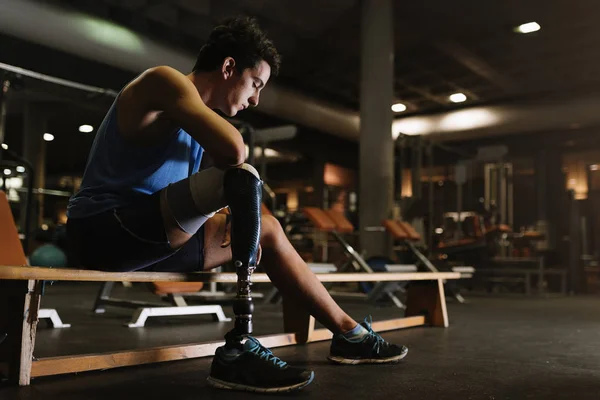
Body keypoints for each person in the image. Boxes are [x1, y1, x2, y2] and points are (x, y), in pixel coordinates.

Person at [66, 16, 408, 393]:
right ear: (229, 67)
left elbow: (186, 196)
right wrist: (234, 203)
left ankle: (349, 335)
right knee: (240, 174)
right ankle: (239, 346)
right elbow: (235, 150)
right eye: (255, 84)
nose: (256, 99)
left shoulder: (195, 124)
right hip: (102, 231)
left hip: (152, 241)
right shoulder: (163, 81)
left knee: (270, 228)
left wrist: (239, 219)